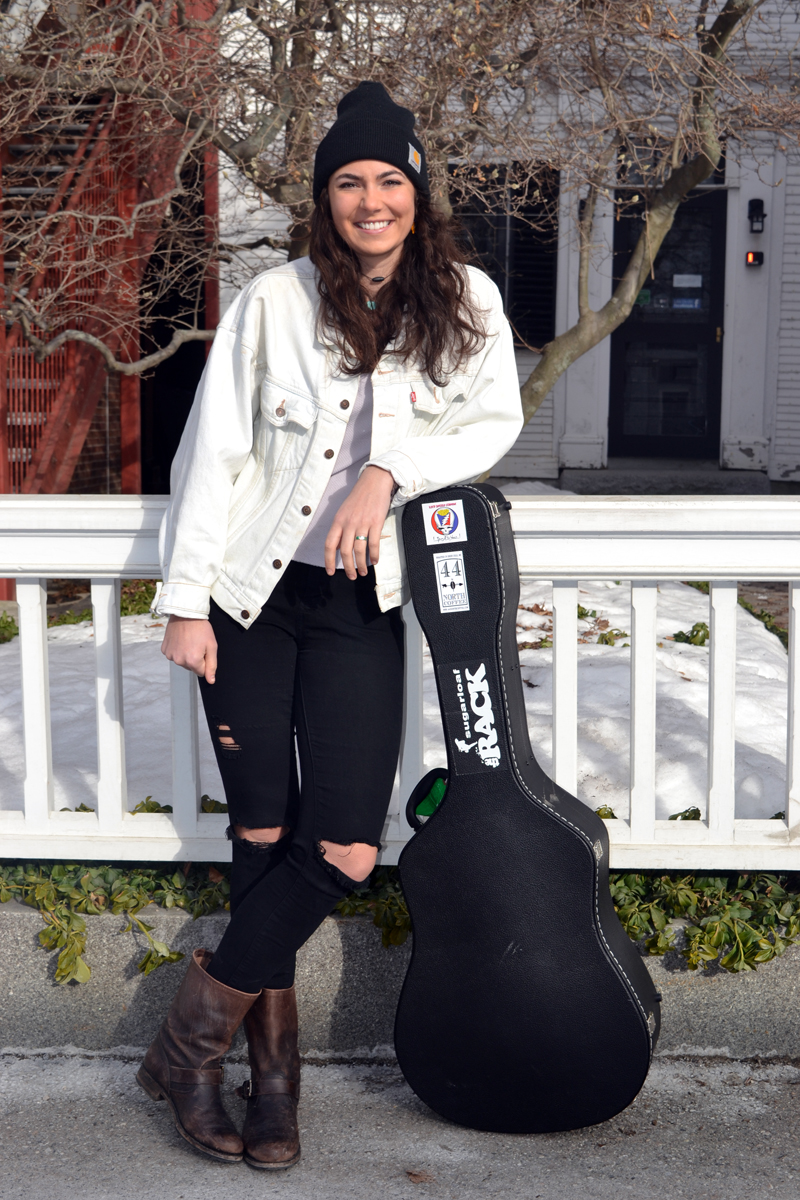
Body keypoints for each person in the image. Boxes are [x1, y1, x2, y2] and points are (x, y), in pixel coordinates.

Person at [137, 80, 523, 1171]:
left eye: (387, 180)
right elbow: (210, 453)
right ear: (324, 198)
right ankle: (267, 1093)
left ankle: (182, 1047)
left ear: (416, 193)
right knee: (260, 839)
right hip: (251, 602)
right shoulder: (273, 302)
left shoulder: (469, 305)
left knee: (344, 844)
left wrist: (392, 470)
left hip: (362, 606)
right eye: (348, 181)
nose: (369, 199)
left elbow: (492, 419)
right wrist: (183, 600)